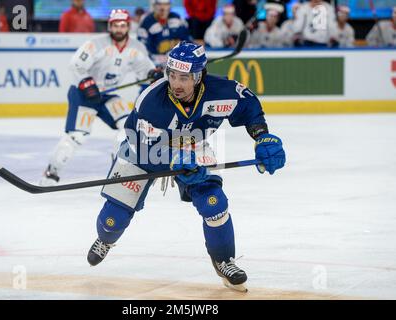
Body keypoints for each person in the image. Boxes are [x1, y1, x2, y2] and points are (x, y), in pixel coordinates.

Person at [86, 41, 286, 291]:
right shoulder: (150, 101)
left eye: (184, 77)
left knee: (215, 203)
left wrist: (262, 136)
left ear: (199, 76)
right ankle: (105, 239)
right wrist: (172, 161)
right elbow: (141, 145)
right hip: (142, 148)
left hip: (192, 146)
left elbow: (249, 107)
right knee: (112, 220)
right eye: (172, 75)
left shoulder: (223, 91)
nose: (176, 84)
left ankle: (224, 260)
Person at [40, 9, 161, 186]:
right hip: (84, 95)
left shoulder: (137, 48)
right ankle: (52, 171)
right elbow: (76, 65)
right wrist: (86, 82)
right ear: (110, 26)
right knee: (77, 137)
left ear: (128, 26)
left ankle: (118, 171)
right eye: (115, 25)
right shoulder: (95, 44)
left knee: (128, 128)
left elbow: (146, 70)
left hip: (109, 94)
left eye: (123, 25)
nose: (119, 29)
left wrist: (153, 74)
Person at [137, 0, 190, 66]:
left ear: (170, 5)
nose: (163, 8)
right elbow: (142, 47)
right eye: (159, 4)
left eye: (166, 4)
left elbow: (186, 40)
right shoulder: (146, 22)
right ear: (154, 6)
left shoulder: (176, 18)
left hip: (176, 59)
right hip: (155, 61)